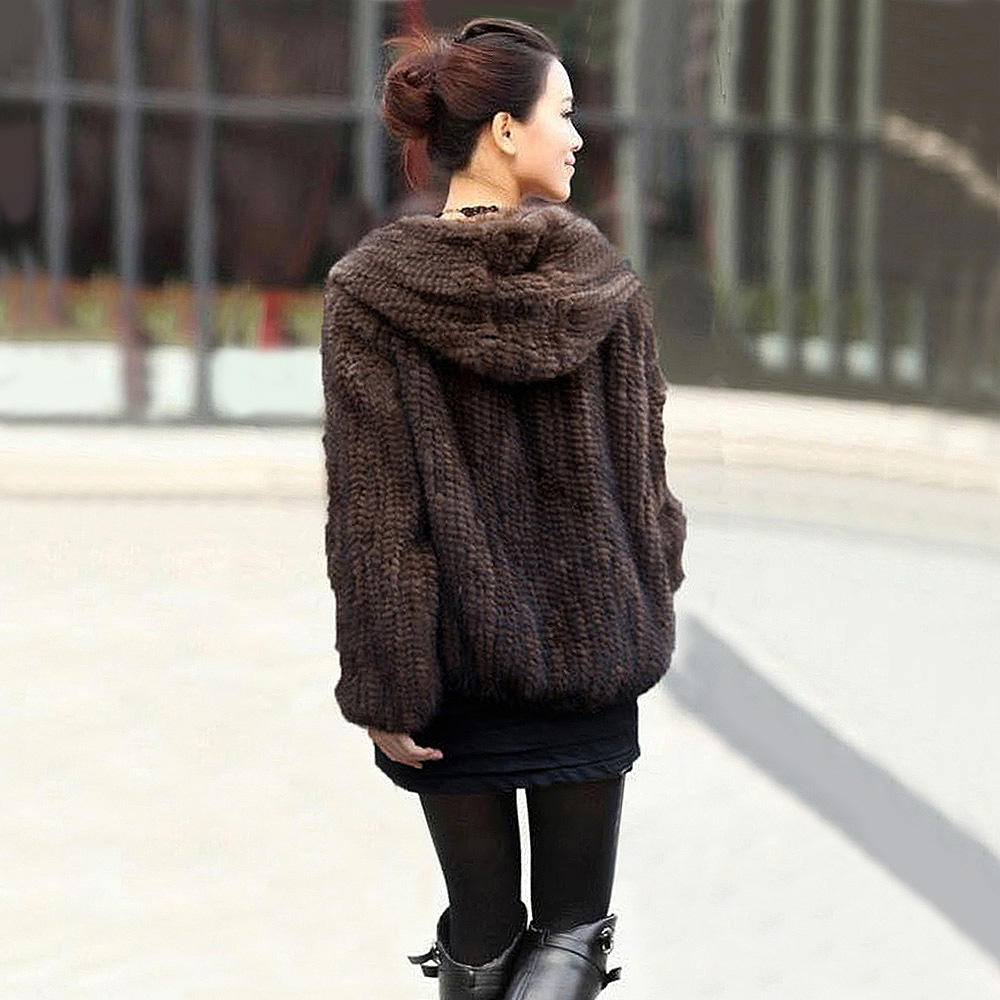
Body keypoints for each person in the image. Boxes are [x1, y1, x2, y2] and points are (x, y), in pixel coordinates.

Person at [320, 17, 686, 1000]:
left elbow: (374, 515)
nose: (578, 137)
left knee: (481, 935)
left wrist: (386, 680)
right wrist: (642, 598)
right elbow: (646, 489)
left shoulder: (371, 294)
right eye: (563, 113)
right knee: (571, 937)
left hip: (453, 673)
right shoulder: (607, 287)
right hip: (592, 661)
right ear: (506, 130)